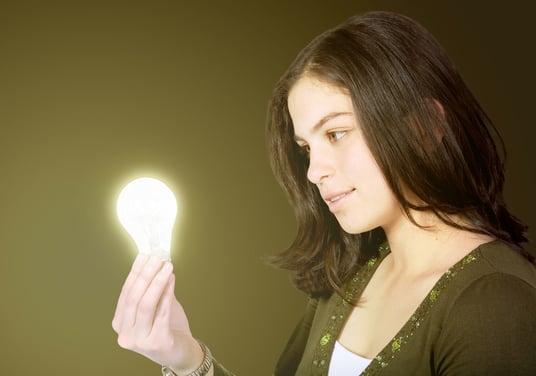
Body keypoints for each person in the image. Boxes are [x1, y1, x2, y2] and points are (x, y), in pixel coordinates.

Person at [112, 11, 536, 376]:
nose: (314, 171)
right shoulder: (353, 273)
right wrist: (186, 357)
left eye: (336, 133)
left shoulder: (496, 303)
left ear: (423, 128)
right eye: (306, 148)